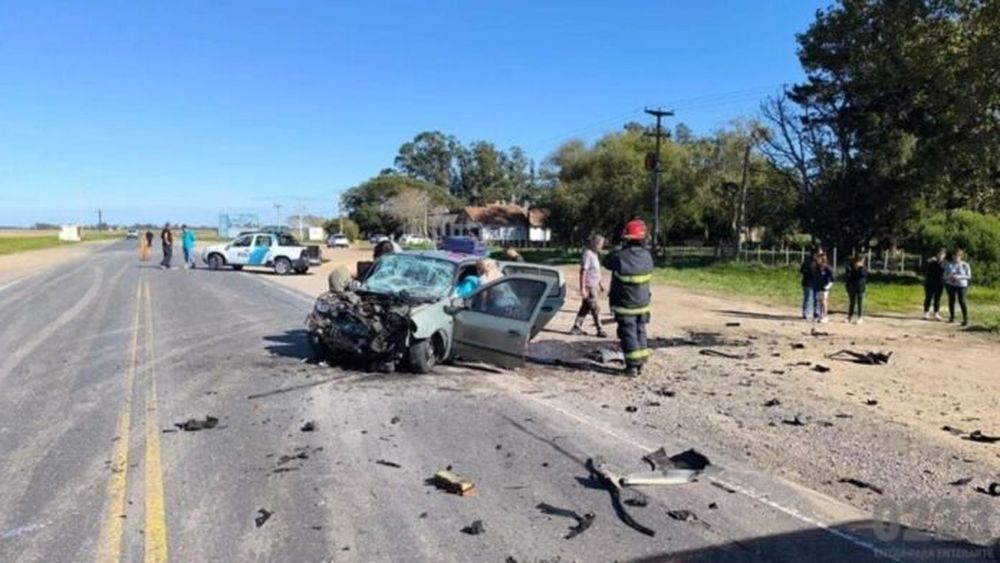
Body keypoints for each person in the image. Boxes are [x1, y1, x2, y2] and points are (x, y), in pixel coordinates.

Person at [607, 219, 653, 377]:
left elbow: (606, 261)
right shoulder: (647, 256)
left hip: (626, 304)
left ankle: (632, 366)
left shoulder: (620, 256)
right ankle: (641, 362)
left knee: (628, 334)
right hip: (643, 303)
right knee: (641, 331)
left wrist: (618, 245)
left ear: (626, 237)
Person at [571, 234, 607, 337]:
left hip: (594, 285)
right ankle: (600, 329)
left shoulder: (595, 255)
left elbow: (595, 271)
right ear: (594, 244)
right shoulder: (588, 254)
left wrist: (600, 284)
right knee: (595, 308)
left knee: (585, 308)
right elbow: (583, 272)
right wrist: (582, 288)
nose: (601, 246)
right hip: (589, 286)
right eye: (600, 244)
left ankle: (576, 327)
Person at [944, 248, 972, 326]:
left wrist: (959, 277)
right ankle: (952, 317)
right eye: (955, 256)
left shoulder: (965, 265)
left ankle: (965, 319)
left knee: (962, 301)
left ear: (961, 257)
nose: (956, 258)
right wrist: (949, 277)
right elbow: (944, 276)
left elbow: (969, 276)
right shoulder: (950, 264)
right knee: (951, 301)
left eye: (958, 256)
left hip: (962, 285)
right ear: (953, 256)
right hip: (951, 285)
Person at [810, 253, 834, 323]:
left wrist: (827, 286)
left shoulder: (827, 268)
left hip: (825, 287)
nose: (817, 260)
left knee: (824, 301)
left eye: (818, 259)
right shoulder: (817, 268)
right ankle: (820, 315)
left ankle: (825, 316)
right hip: (818, 286)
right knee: (820, 302)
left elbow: (832, 279)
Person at [923, 249, 946, 321]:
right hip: (930, 282)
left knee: (937, 298)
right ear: (937, 255)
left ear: (944, 256)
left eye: (942, 254)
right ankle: (926, 312)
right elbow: (923, 268)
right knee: (928, 297)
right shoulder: (931, 262)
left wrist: (939, 263)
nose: (940, 256)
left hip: (940, 283)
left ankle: (936, 313)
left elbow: (943, 271)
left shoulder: (945, 263)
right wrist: (928, 261)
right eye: (939, 254)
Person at [844, 255, 868, 324]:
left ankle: (860, 317)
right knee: (852, 302)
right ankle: (849, 317)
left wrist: (860, 268)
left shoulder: (863, 267)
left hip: (860, 286)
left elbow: (864, 275)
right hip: (851, 286)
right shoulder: (850, 266)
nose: (862, 262)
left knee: (859, 302)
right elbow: (848, 276)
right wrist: (855, 268)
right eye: (861, 260)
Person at [800, 248, 822, 320]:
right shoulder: (807, 261)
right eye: (817, 254)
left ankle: (816, 312)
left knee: (817, 298)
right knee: (808, 298)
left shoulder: (820, 262)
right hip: (808, 282)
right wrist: (808, 273)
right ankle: (806, 312)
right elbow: (802, 270)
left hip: (817, 282)